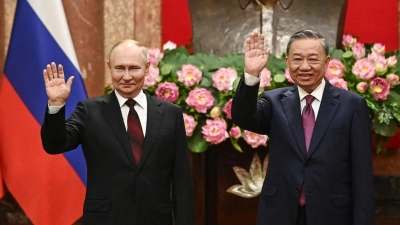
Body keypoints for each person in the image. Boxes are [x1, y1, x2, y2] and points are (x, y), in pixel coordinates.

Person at [40, 40, 195, 224]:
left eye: (134, 68)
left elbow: (182, 182)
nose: (127, 76)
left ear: (146, 68)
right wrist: (56, 106)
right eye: (120, 68)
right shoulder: (89, 111)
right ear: (109, 67)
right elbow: (54, 144)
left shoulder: (171, 114)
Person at [232, 30, 374, 225]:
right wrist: (251, 74)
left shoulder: (351, 106)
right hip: (281, 213)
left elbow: (363, 175)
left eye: (313, 59)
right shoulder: (274, 102)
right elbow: (243, 117)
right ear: (287, 62)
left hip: (332, 214)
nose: (304, 67)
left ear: (326, 62)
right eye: (297, 59)